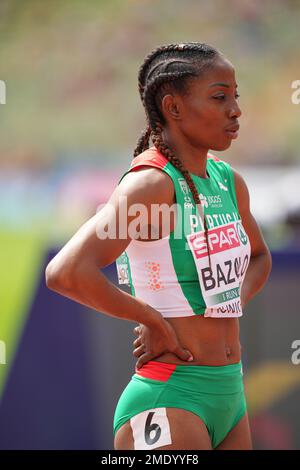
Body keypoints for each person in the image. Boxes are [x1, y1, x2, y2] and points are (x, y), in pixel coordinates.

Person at [45, 42, 272, 450]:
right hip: (171, 398)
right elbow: (66, 272)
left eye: (236, 97)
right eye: (219, 97)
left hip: (230, 395)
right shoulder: (151, 186)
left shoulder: (227, 182)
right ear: (173, 107)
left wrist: (229, 300)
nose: (235, 110)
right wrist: (151, 319)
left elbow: (259, 256)